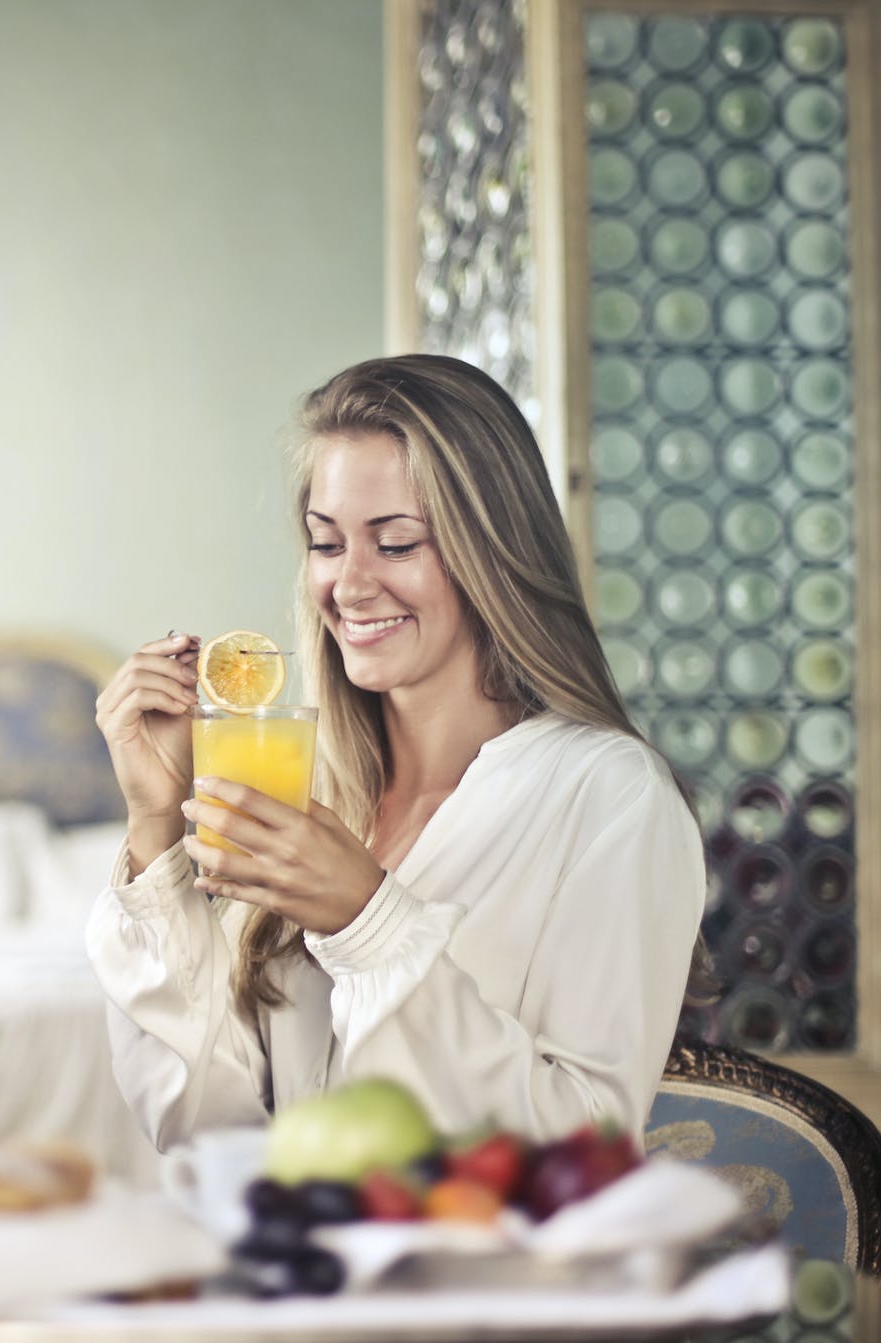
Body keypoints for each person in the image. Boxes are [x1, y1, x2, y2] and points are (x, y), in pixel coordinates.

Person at [86, 353, 706, 1151]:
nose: (349, 584)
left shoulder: (612, 799)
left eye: (398, 543)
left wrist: (370, 920)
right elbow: (209, 1130)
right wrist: (153, 826)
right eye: (326, 542)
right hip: (297, 1269)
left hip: (477, 1276)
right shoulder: (319, 791)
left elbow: (582, 1149)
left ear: (494, 550)